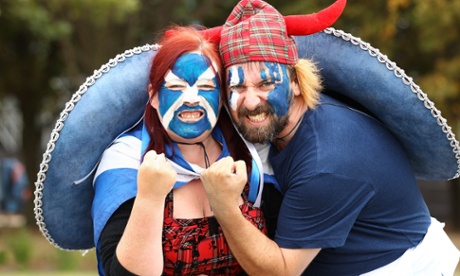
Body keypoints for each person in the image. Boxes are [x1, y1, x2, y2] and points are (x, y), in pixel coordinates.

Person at [200, 0, 460, 275]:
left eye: (266, 83)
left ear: (297, 83)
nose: (251, 102)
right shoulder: (288, 123)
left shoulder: (325, 161)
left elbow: (280, 271)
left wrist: (224, 205)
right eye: (237, 86)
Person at [92, 26, 274, 275]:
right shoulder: (127, 159)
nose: (191, 98)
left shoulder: (251, 155)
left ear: (221, 98)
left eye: (207, 87)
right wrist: (149, 197)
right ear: (154, 96)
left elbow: (282, 258)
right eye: (176, 87)